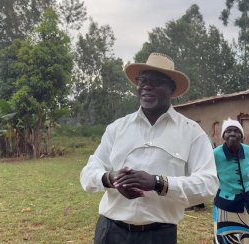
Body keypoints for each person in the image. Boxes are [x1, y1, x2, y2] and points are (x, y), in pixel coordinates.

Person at [80, 52, 219, 244]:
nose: (146, 86)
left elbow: (208, 184)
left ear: (171, 88)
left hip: (159, 235)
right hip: (111, 231)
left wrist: (158, 183)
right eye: (142, 80)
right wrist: (111, 179)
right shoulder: (117, 128)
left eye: (156, 81)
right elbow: (88, 174)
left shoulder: (192, 133)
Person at [213, 118, 249, 244]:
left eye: (236, 131)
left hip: (248, 202)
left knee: (248, 235)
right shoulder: (215, 154)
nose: (232, 133)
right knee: (225, 237)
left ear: (242, 135)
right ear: (223, 135)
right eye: (228, 131)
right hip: (225, 204)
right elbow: (214, 176)